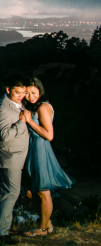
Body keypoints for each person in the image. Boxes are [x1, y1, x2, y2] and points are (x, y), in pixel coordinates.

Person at [20, 77, 75, 237]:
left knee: (43, 191)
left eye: (34, 92)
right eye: (27, 93)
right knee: (33, 191)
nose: (31, 96)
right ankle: (48, 225)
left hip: (41, 149)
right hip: (32, 149)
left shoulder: (43, 107)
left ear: (40, 90)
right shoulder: (32, 106)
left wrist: (30, 121)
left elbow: (49, 135)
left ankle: (42, 228)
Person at [0, 73, 29, 245]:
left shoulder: (14, 103)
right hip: (10, 157)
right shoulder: (3, 109)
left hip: (14, 156)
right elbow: (5, 136)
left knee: (5, 193)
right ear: (8, 90)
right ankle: (1, 234)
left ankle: (2, 226)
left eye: (23, 93)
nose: (21, 96)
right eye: (17, 93)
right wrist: (21, 122)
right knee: (11, 193)